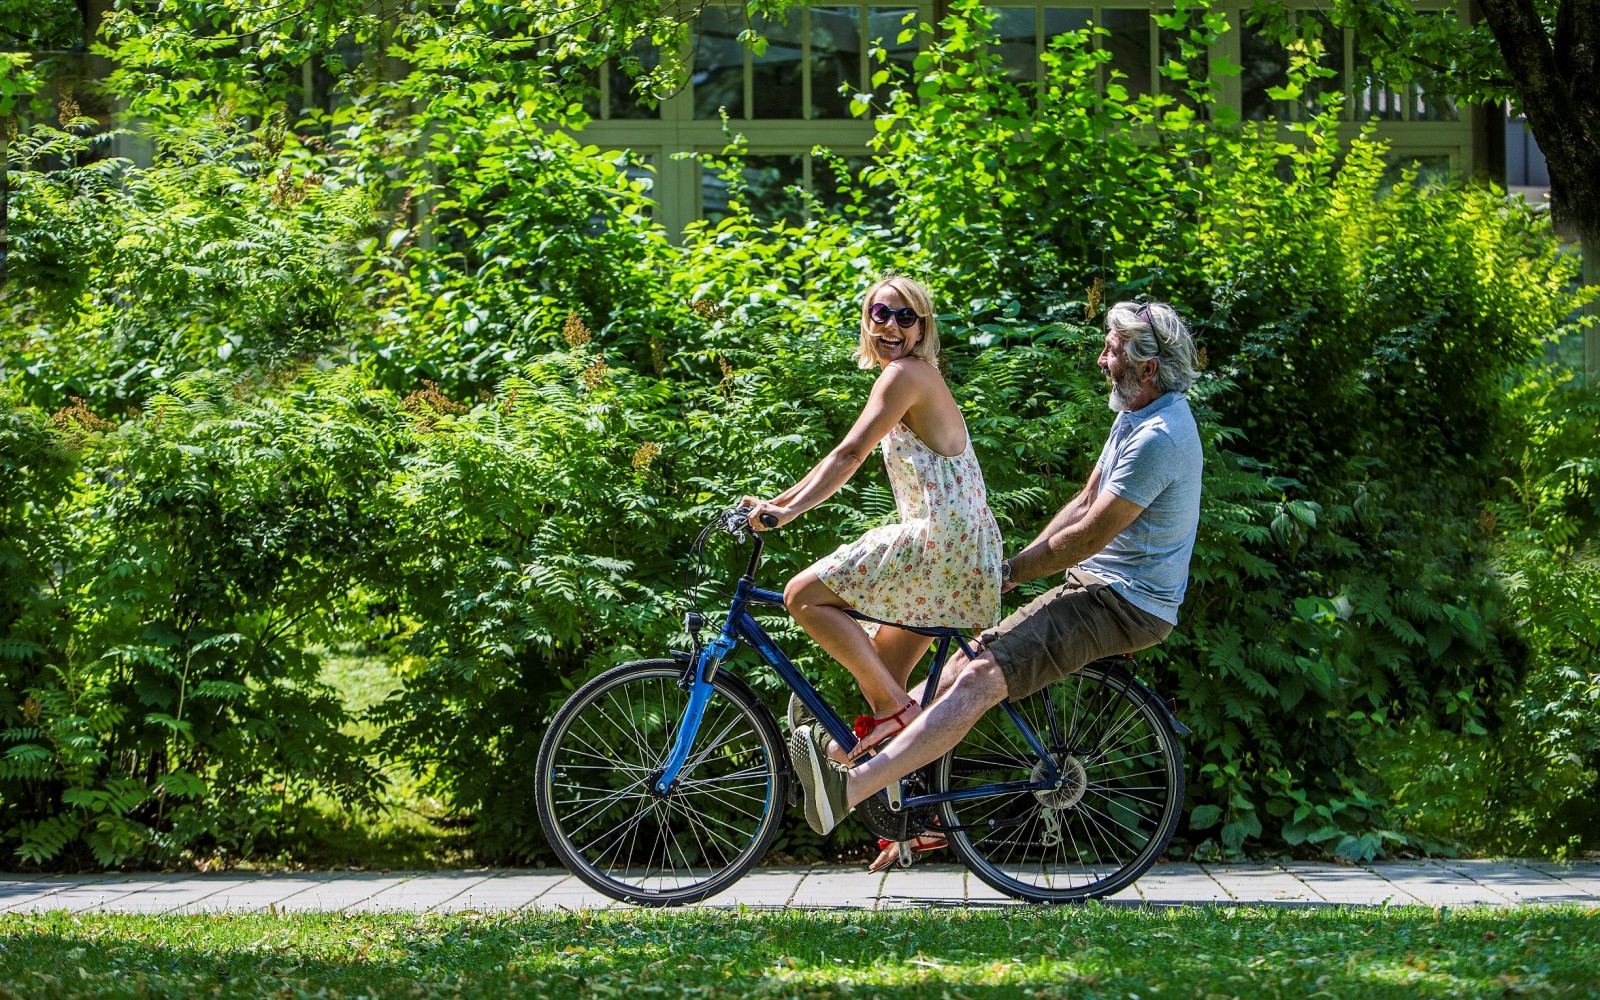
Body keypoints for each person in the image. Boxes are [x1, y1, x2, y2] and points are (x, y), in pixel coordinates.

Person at [789, 299, 1203, 841]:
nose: (1103, 360)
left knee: (981, 679)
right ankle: (862, 767)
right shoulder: (1135, 414)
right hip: (1098, 588)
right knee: (965, 664)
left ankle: (852, 788)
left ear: (1147, 367)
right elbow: (1082, 502)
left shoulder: (1160, 438)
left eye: (1112, 351)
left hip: (1128, 604)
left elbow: (1087, 535)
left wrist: (1008, 571)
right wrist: (1011, 566)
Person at [740, 275, 1004, 871]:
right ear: (867, 319)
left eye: (905, 318)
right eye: (880, 313)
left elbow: (848, 454)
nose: (890, 326)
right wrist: (775, 503)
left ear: (923, 329)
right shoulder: (908, 376)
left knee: (803, 596)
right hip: (959, 549)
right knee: (881, 677)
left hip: (941, 541)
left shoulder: (906, 375)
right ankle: (918, 822)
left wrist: (784, 511)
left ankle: (891, 715)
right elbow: (841, 457)